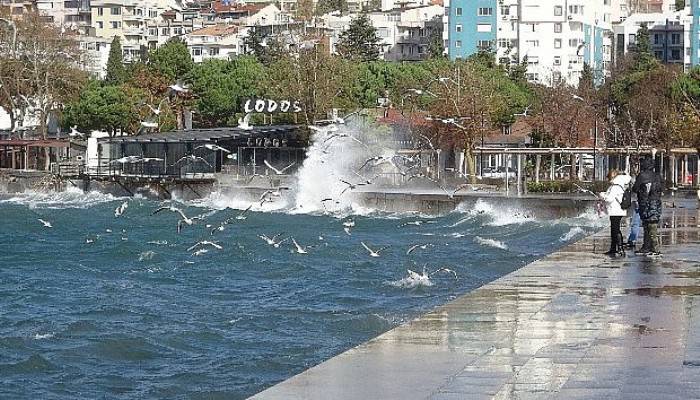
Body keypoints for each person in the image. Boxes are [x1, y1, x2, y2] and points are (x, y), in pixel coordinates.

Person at [632, 158, 663, 255]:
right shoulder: (657, 176)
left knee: (648, 225)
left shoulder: (642, 175)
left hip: (645, 202)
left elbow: (635, 188)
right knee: (651, 224)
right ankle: (647, 246)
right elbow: (662, 188)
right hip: (656, 202)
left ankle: (654, 248)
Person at [600, 170, 632, 256]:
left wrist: (602, 195)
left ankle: (620, 248)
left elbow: (609, 199)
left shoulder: (615, 186)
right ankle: (613, 248)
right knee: (614, 229)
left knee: (616, 229)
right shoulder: (620, 185)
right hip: (617, 210)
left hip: (615, 210)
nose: (608, 180)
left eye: (608, 178)